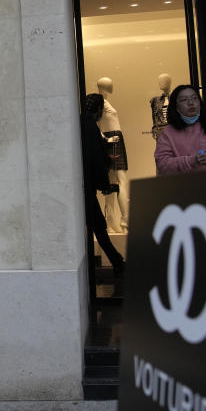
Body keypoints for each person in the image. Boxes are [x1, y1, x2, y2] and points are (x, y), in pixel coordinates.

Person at [80, 94, 126, 278]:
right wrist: (105, 183)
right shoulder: (89, 126)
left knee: (98, 225)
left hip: (85, 184)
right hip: (87, 185)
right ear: (98, 109)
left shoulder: (82, 124)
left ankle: (116, 261)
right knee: (98, 225)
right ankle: (116, 262)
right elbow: (94, 157)